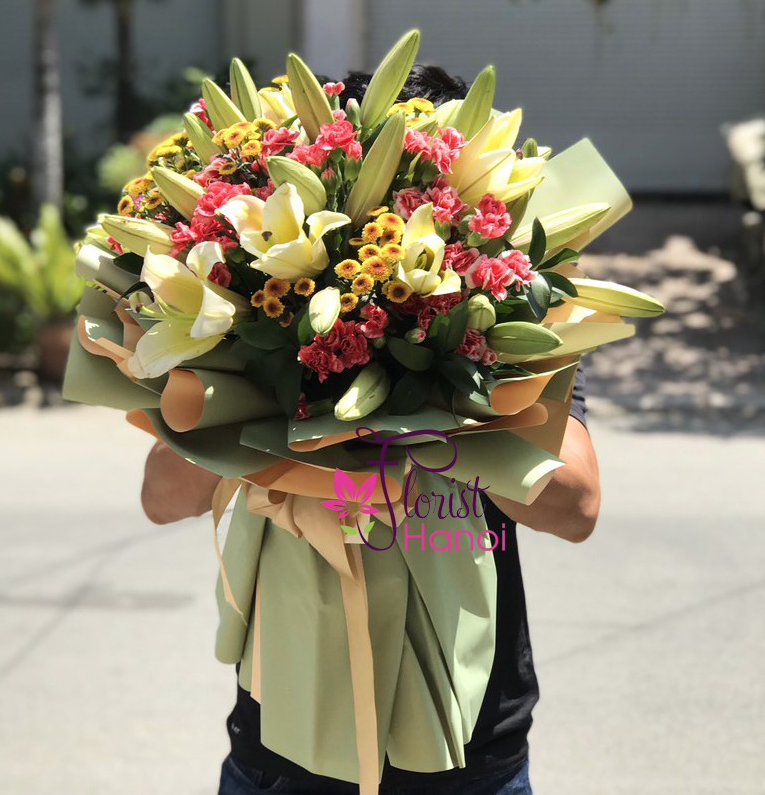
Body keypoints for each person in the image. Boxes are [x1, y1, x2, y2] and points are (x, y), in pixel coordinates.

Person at [140, 67, 601, 795]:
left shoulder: (508, 325)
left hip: (470, 755)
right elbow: (163, 498)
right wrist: (252, 381)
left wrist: (437, 389)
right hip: (281, 750)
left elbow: (575, 508)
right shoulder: (257, 326)